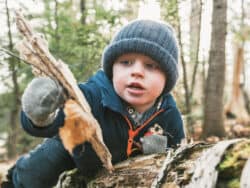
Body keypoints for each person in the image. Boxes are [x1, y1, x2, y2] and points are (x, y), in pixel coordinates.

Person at [3, 19, 185, 188]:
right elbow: (53, 121)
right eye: (126, 62)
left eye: (151, 65)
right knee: (41, 169)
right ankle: (16, 181)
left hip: (118, 169)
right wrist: (40, 114)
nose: (136, 71)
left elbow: (176, 152)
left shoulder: (168, 114)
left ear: (167, 79)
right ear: (112, 68)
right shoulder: (92, 95)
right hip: (73, 150)